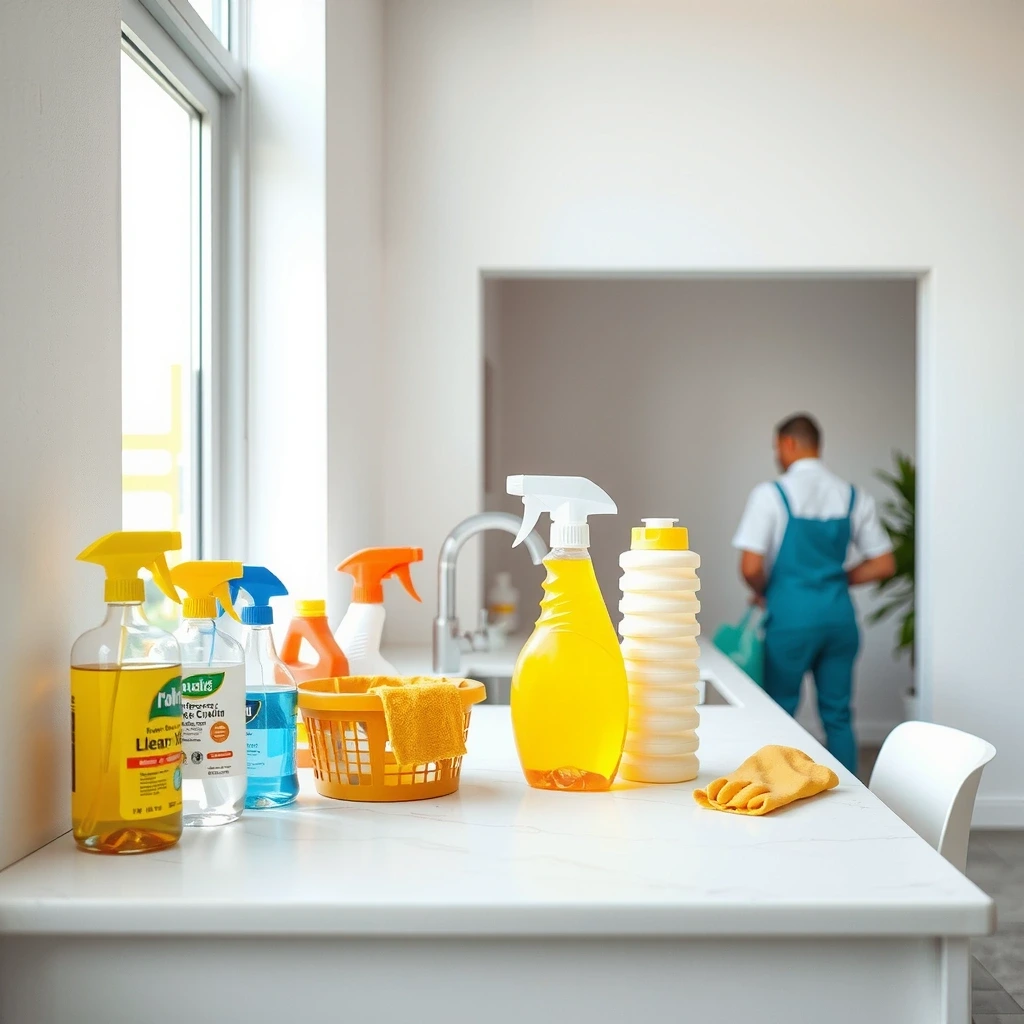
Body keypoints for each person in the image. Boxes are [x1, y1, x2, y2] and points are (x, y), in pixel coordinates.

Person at [732, 414, 896, 773]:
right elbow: (884, 563)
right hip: (839, 619)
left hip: (791, 618)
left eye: (776, 447)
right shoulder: (853, 495)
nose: (776, 454)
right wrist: (834, 578)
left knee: (780, 709)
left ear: (788, 443)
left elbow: (749, 567)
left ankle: (776, 789)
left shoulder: (771, 494)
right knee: (837, 715)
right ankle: (851, 800)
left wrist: (767, 590)